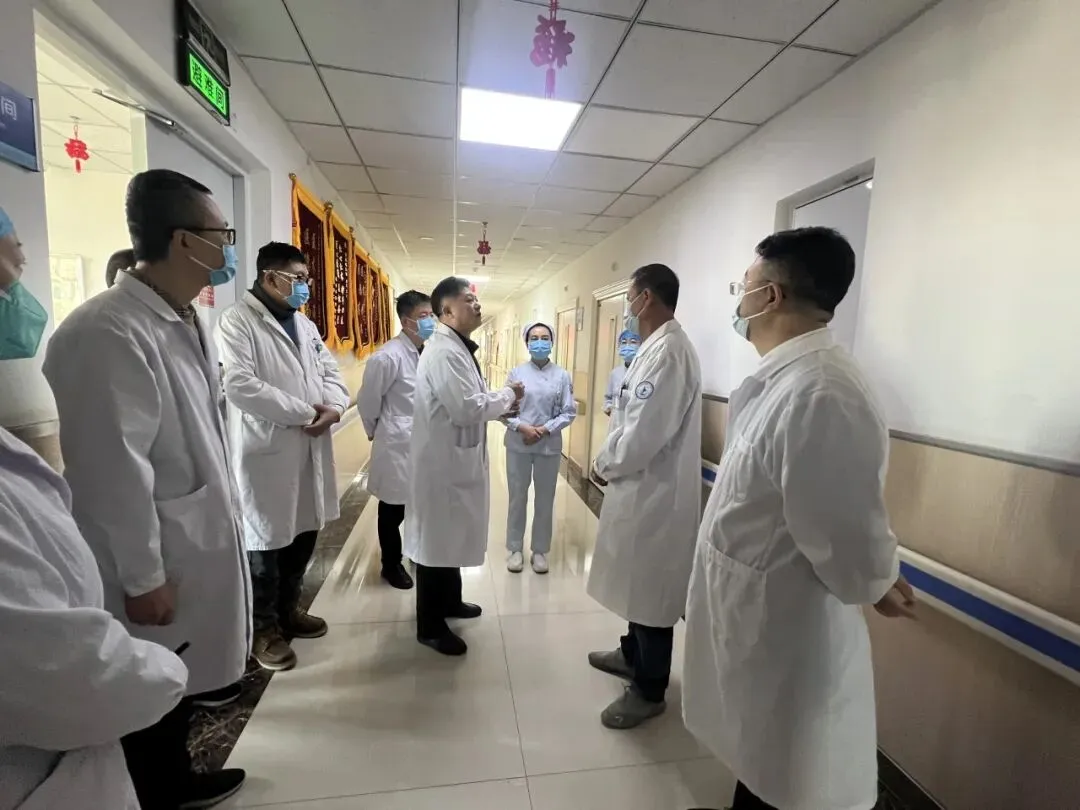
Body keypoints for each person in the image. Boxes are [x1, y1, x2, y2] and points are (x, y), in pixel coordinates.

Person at [682, 227, 916, 810]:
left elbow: (844, 526)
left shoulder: (824, 392)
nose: (738, 298)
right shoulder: (783, 380)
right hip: (757, 621)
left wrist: (877, 580)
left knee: (787, 776)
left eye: (743, 286)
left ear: (770, 297)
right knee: (761, 763)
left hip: (787, 633)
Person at [42, 169, 251, 810]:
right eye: (222, 235)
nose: (229, 248)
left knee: (176, 677)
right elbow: (111, 471)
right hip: (153, 553)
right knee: (149, 680)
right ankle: (159, 792)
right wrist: (142, 577)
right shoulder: (105, 331)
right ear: (186, 241)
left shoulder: (183, 317)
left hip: (193, 531)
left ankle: (176, 778)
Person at [0, 205, 188, 809]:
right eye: (7, 261)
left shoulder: (172, 323)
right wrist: (164, 672)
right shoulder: (103, 330)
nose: (22, 263)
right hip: (44, 763)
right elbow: (56, 673)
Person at [214, 241, 350, 672]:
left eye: (307, 278)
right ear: (270, 277)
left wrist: (335, 406)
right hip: (266, 452)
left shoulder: (304, 325)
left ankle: (290, 611)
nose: (305, 286)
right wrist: (308, 412)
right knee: (266, 548)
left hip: (309, 445)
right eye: (298, 278)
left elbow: (331, 372)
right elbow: (240, 385)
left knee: (304, 535)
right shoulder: (236, 321)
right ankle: (263, 631)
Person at [586, 263, 702, 730]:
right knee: (637, 582)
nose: (627, 307)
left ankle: (650, 689)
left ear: (646, 298)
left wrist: (604, 463)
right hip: (640, 489)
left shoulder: (669, 353)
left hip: (656, 494)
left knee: (652, 591)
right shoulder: (655, 349)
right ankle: (631, 654)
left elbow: (643, 435)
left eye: (629, 297)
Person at [404, 277, 524, 656]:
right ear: (447, 310)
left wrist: (500, 406)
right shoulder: (443, 352)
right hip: (441, 469)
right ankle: (430, 626)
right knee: (436, 545)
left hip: (454, 463)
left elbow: (471, 398)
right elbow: (465, 408)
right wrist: (508, 395)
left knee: (450, 538)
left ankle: (450, 602)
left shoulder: (456, 348)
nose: (477, 305)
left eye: (476, 299)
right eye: (468, 299)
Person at [357, 290, 436, 590]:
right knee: (392, 509)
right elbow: (368, 401)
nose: (430, 321)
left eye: (431, 315)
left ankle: (416, 551)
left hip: (423, 443)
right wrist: (375, 430)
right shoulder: (387, 357)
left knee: (419, 505)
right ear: (405, 321)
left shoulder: (426, 352)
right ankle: (391, 564)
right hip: (397, 444)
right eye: (423, 316)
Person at [503, 322, 576, 574]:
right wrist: (523, 427)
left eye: (545, 338)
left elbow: (568, 412)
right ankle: (515, 548)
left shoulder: (562, 376)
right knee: (517, 497)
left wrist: (544, 430)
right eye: (534, 338)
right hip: (518, 443)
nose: (540, 342)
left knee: (545, 499)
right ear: (527, 343)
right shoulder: (516, 373)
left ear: (552, 342)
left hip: (548, 445)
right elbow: (505, 410)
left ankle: (540, 550)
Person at [602, 329, 640, 416]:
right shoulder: (615, 373)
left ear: (641, 346)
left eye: (633, 342)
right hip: (617, 421)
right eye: (624, 342)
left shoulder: (646, 371)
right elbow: (608, 399)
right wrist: (609, 408)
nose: (627, 346)